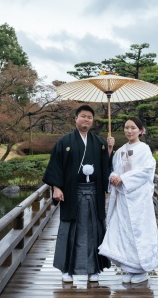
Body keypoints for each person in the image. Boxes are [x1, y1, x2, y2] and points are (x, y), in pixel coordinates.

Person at [43, 104, 113, 282]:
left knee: (94, 229)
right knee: (70, 229)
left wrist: (109, 150)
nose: (86, 120)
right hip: (71, 193)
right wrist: (56, 187)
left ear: (92, 121)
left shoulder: (99, 143)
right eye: (83, 116)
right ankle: (67, 269)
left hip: (94, 193)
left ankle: (93, 269)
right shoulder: (64, 142)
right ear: (75, 119)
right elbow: (55, 165)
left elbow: (106, 167)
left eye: (89, 117)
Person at [99, 117, 158, 284]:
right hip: (123, 198)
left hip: (138, 199)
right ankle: (130, 268)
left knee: (139, 232)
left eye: (133, 128)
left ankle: (142, 270)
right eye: (126, 127)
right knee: (125, 232)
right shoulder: (121, 150)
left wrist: (124, 178)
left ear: (141, 131)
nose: (129, 131)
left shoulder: (144, 149)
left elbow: (146, 170)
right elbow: (114, 169)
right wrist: (114, 176)